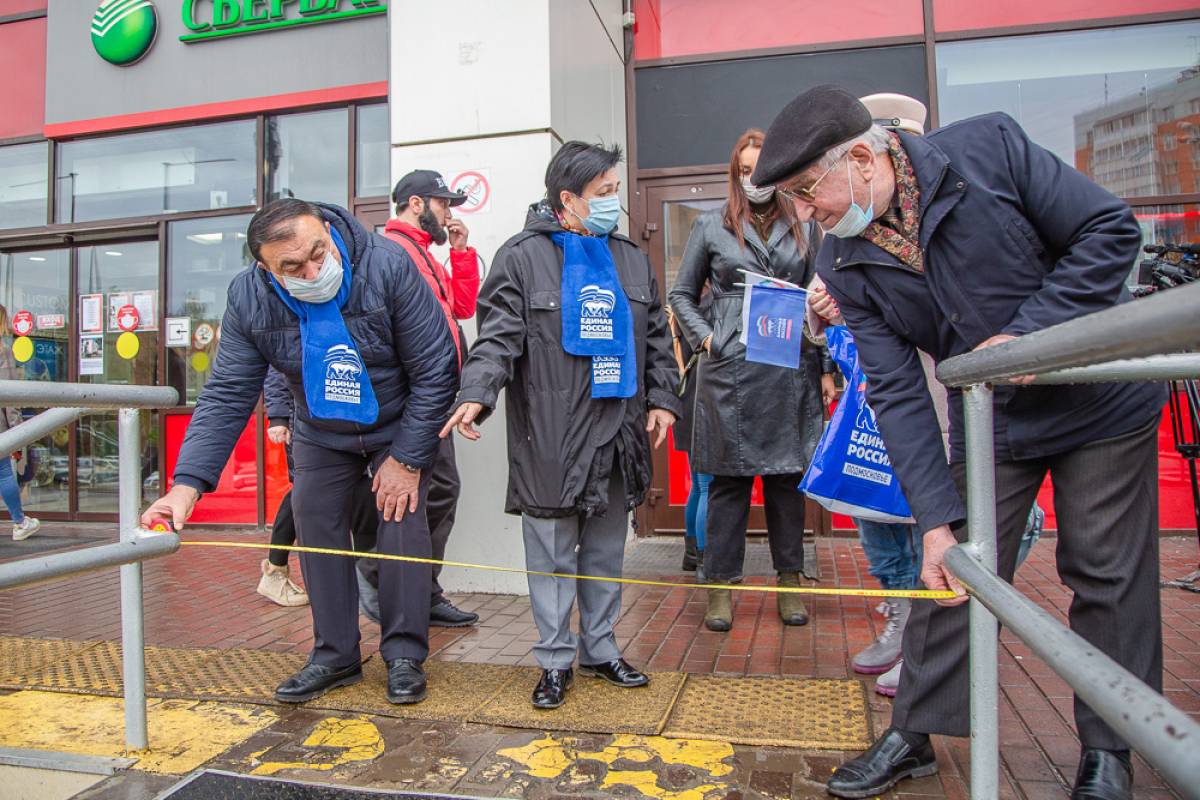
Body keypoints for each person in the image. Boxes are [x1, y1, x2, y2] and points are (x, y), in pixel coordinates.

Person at [753, 85, 1166, 800]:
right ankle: (914, 733)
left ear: (861, 157)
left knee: (1105, 572)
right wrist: (936, 523)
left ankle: (1109, 754)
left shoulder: (989, 150)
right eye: (791, 198)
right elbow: (899, 393)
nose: (804, 213)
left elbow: (1108, 232)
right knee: (949, 569)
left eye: (806, 190)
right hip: (995, 418)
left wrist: (1032, 330)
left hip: (1099, 401)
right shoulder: (842, 259)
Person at [142, 199, 459, 708]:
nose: (314, 270)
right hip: (320, 428)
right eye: (294, 267)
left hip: (397, 423)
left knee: (402, 523)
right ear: (266, 268)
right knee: (316, 526)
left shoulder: (386, 264)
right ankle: (335, 656)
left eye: (319, 253)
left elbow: (437, 368)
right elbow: (227, 393)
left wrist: (407, 460)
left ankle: (404, 655)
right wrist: (185, 488)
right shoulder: (250, 298)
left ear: (329, 232)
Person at [441, 141, 681, 710]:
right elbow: (497, 338)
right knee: (550, 554)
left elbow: (654, 342)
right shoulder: (522, 258)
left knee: (604, 552)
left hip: (618, 431)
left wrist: (664, 398)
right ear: (567, 199)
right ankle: (554, 660)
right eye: (604, 194)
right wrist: (476, 394)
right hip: (550, 434)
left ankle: (601, 650)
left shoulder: (629, 258)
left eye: (617, 191)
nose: (614, 204)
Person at [668, 129, 835, 633]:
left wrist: (825, 364)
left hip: (789, 368)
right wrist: (707, 340)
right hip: (731, 373)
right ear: (735, 173)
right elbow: (680, 295)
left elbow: (821, 294)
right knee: (727, 486)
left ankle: (789, 580)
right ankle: (719, 587)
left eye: (761, 170)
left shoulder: (805, 225)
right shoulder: (710, 224)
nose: (753, 179)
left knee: (787, 483)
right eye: (744, 170)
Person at [361, 168, 482, 628]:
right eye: (442, 203)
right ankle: (379, 576)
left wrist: (462, 251)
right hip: (416, 399)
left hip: (435, 396)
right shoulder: (394, 253)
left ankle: (421, 590)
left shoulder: (425, 254)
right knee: (424, 493)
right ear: (416, 204)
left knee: (438, 492)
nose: (448, 212)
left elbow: (463, 308)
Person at [257, 367, 380, 608]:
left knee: (362, 487)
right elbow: (277, 368)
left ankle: (368, 578)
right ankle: (274, 570)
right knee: (304, 492)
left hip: (348, 418)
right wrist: (279, 417)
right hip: (306, 421)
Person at [667, 300, 712, 577]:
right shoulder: (707, 312)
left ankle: (691, 554)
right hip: (704, 403)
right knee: (708, 487)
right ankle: (706, 561)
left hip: (685, 403)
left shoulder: (678, 313)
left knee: (697, 485)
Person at [0, 305, 39, 542]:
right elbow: (9, 396)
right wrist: (17, 432)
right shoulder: (3, 351)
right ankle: (20, 522)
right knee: (4, 473)